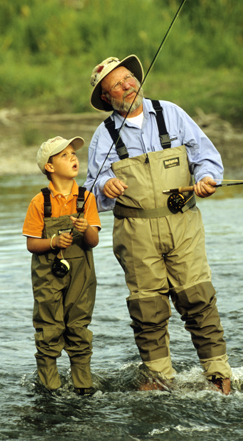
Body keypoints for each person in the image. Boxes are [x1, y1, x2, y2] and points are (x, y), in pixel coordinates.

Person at [85, 55, 231, 394]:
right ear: (107, 98)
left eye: (129, 79)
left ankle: (218, 374)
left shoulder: (172, 114)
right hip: (135, 234)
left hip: (183, 225)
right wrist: (105, 186)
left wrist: (208, 178)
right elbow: (92, 193)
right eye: (117, 85)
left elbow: (206, 157)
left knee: (198, 298)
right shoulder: (102, 136)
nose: (127, 86)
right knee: (147, 307)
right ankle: (159, 377)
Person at [23, 136, 101, 395]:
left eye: (73, 154)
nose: (73, 158)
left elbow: (93, 241)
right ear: (50, 167)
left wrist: (86, 228)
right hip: (48, 276)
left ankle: (83, 387)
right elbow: (32, 245)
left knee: (78, 327)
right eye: (64, 156)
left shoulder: (87, 198)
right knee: (49, 328)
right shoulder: (39, 202)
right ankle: (50, 388)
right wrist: (54, 241)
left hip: (82, 274)